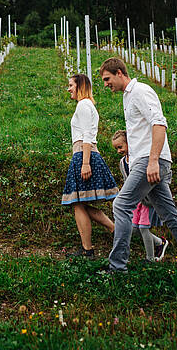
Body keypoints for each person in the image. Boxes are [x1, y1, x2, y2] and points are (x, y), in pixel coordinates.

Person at [100, 58, 177, 274]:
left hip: (149, 159)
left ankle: (117, 267)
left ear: (120, 73)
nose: (105, 84)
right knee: (170, 215)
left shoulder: (140, 91)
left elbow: (159, 124)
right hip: (147, 159)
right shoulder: (128, 96)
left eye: (107, 79)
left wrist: (152, 161)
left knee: (121, 205)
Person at [62, 74, 119, 259]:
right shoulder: (86, 105)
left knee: (77, 203)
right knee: (80, 203)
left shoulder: (84, 104)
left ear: (80, 86)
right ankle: (114, 229)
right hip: (83, 154)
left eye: (71, 85)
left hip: (84, 155)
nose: (68, 88)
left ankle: (88, 250)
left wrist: (85, 163)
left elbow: (87, 135)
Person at [112, 130, 169, 262]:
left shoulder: (139, 159)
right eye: (116, 148)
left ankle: (150, 259)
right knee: (134, 229)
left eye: (120, 147)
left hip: (147, 200)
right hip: (136, 200)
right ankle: (160, 242)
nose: (119, 151)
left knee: (144, 228)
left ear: (129, 143)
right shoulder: (122, 162)